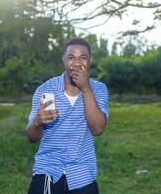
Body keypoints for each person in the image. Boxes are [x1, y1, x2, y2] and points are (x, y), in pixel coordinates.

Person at [25, 38, 109, 194]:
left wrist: (86, 89)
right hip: (48, 170)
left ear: (90, 61)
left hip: (82, 173)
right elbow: (31, 138)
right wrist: (37, 122)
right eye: (71, 57)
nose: (76, 63)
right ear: (64, 60)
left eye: (82, 58)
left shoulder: (99, 89)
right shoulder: (45, 90)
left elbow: (98, 129)